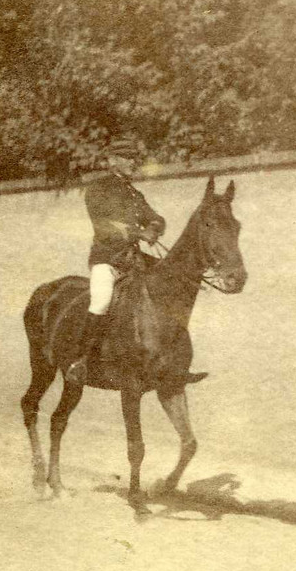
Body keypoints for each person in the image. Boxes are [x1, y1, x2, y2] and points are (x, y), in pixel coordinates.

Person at [65, 137, 206, 387]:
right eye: (128, 158)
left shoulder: (134, 193)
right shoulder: (98, 188)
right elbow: (103, 225)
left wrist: (154, 227)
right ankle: (80, 361)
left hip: (134, 260)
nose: (133, 162)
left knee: (170, 284)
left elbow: (156, 218)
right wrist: (139, 233)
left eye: (134, 158)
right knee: (101, 300)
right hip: (108, 259)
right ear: (112, 161)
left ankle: (174, 362)